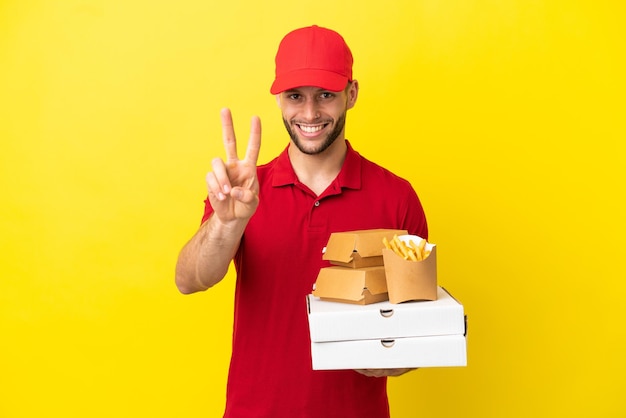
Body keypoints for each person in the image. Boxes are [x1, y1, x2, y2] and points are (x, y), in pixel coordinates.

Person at [175, 25, 428, 418]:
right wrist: (227, 224)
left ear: (352, 94)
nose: (310, 114)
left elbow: (420, 326)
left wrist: (398, 358)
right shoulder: (244, 191)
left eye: (325, 95)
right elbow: (190, 281)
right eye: (296, 97)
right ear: (279, 100)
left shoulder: (397, 198)